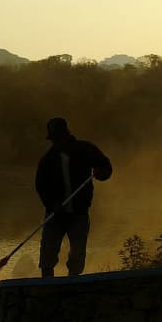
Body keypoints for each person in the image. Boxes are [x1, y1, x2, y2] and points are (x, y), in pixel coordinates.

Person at [35, 117, 112, 278]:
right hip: (55, 215)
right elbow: (41, 187)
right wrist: (52, 204)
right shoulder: (47, 160)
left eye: (58, 138)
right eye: (54, 139)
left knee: (77, 253)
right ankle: (47, 284)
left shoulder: (85, 149)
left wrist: (102, 172)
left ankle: (72, 282)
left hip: (79, 213)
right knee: (47, 253)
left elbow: (105, 166)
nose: (56, 142)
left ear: (66, 134)